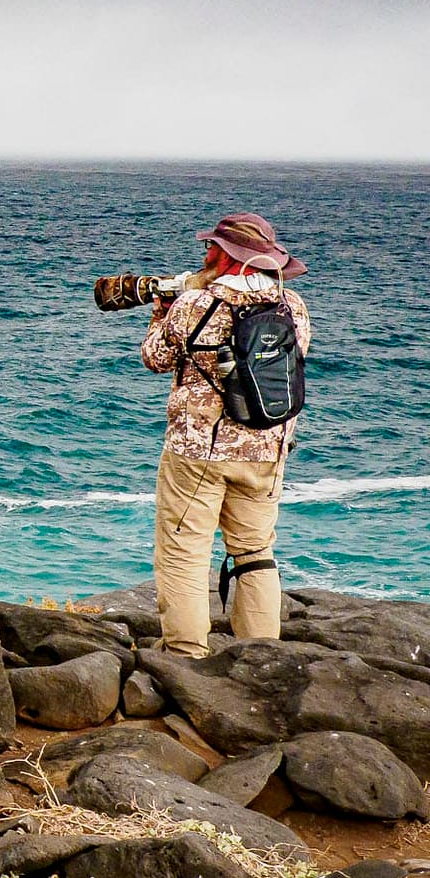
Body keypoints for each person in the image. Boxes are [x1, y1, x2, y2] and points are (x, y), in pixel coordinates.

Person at [142, 212, 311, 657]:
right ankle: (260, 657)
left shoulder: (197, 305)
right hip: (267, 449)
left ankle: (185, 655)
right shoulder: (292, 307)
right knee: (255, 552)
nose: (205, 254)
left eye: (211, 247)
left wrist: (161, 315)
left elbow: (155, 357)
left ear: (230, 255)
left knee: (184, 550)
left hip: (198, 451)